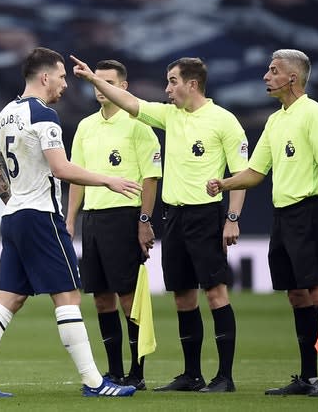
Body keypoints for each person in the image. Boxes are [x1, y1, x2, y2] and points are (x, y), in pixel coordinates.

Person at [0, 47, 141, 398]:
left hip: (14, 216)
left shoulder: (5, 113)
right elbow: (61, 168)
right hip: (41, 216)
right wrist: (108, 180)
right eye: (61, 77)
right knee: (69, 295)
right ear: (44, 78)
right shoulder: (44, 115)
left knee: (9, 298)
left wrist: (13, 202)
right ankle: (94, 383)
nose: (65, 85)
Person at [72, 54, 248, 393]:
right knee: (183, 296)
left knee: (215, 293)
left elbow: (240, 174)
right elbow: (131, 102)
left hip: (207, 214)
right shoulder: (170, 116)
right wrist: (94, 80)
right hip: (175, 216)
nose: (167, 88)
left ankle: (224, 376)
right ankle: (191, 374)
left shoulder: (224, 121)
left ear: (192, 84)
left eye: (173, 81)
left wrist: (232, 218)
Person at [206, 49, 318, 397]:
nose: (266, 77)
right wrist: (225, 184)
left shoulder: (313, 114)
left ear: (292, 78)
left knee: (317, 292)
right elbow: (255, 173)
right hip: (282, 216)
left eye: (273, 71)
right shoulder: (275, 120)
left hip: (310, 211)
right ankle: (307, 377)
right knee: (296, 295)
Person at [66, 59, 162, 390]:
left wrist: (144, 221)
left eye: (107, 81)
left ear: (123, 87)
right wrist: (70, 220)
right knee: (101, 298)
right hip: (93, 219)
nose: (100, 88)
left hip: (124, 216)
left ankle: (138, 371)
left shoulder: (139, 125)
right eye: (96, 82)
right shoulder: (85, 127)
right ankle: (114, 371)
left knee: (127, 298)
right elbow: (76, 177)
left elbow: (150, 179)